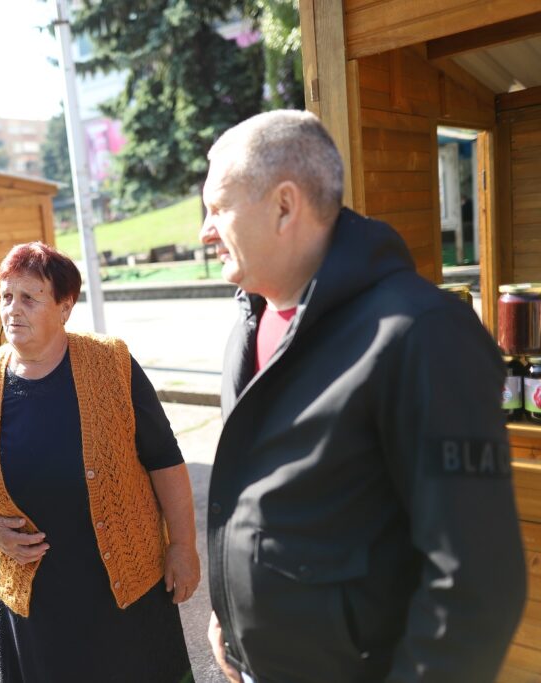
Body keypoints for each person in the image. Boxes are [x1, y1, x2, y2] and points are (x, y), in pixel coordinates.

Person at [200, 110, 526, 683]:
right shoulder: (248, 325)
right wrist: (232, 610)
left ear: (284, 206)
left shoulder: (422, 334)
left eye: (218, 208)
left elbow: (476, 582)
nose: (205, 231)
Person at [0, 242, 199, 683]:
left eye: (29, 297)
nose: (12, 309)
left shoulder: (112, 363)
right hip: (34, 604)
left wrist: (183, 546)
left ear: (65, 307)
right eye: (6, 296)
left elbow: (164, 460)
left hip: (123, 590)